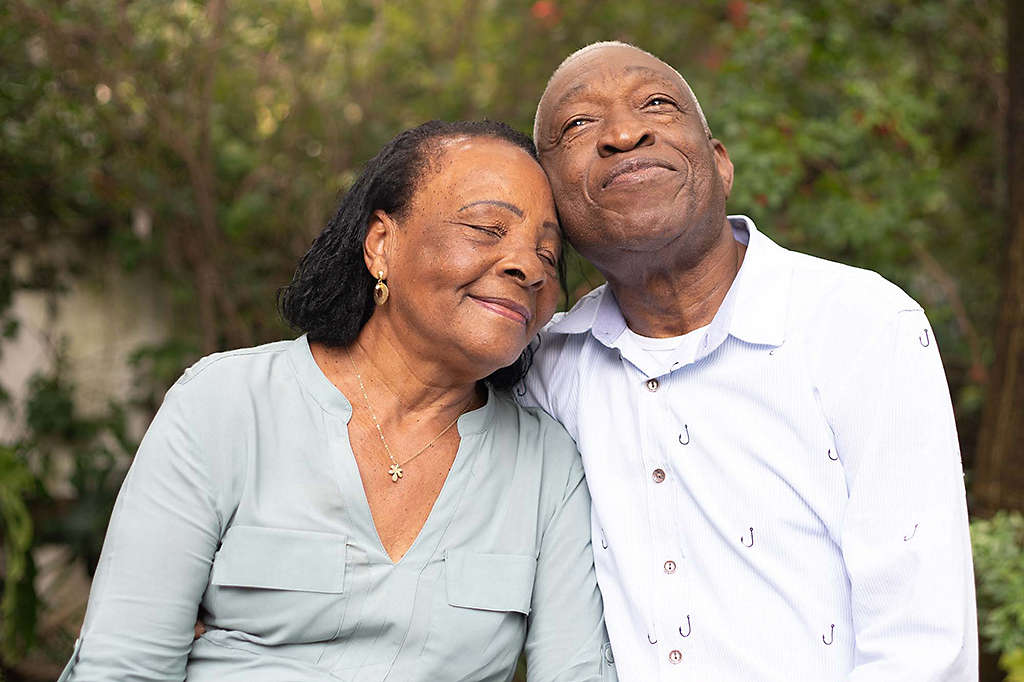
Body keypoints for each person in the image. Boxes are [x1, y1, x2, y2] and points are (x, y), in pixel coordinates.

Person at [59, 120, 616, 682]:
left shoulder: (547, 466)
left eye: (549, 255)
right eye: (486, 227)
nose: (529, 267)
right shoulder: (225, 405)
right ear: (382, 245)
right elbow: (122, 666)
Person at [521, 42, 977, 681]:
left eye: (656, 104)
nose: (625, 133)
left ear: (719, 164)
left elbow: (921, 648)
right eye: (578, 125)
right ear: (553, 207)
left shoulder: (861, 326)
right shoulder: (544, 372)